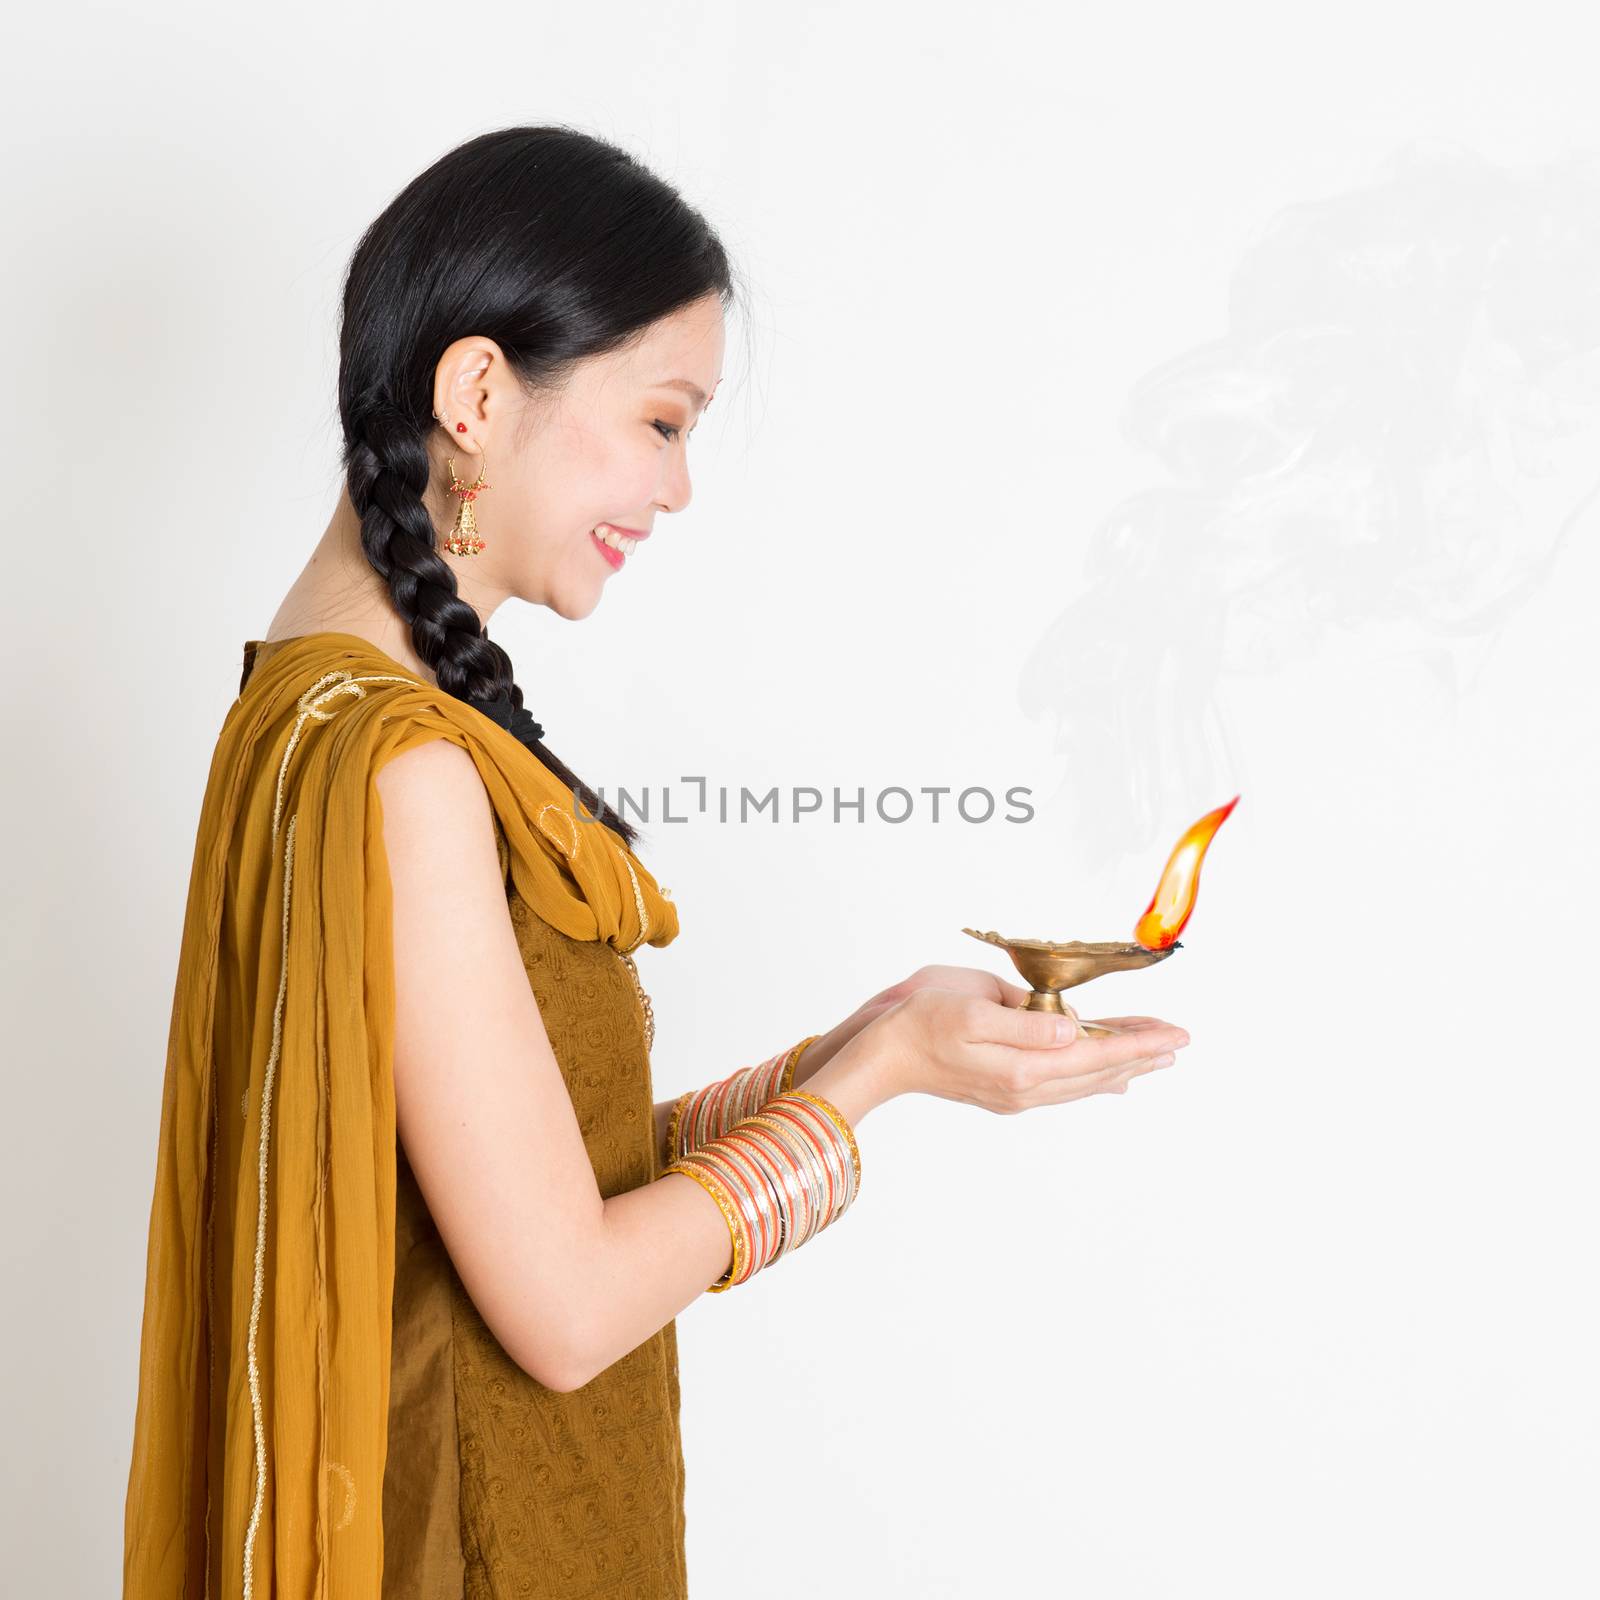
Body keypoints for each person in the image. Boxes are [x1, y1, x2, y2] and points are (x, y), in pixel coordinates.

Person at [121, 124, 1191, 1598]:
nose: (681, 488)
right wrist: (881, 1091)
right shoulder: (403, 766)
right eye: (664, 421)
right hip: (485, 1543)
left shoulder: (300, 711)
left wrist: (856, 1044)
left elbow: (518, 1185)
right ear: (481, 394)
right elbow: (562, 1306)